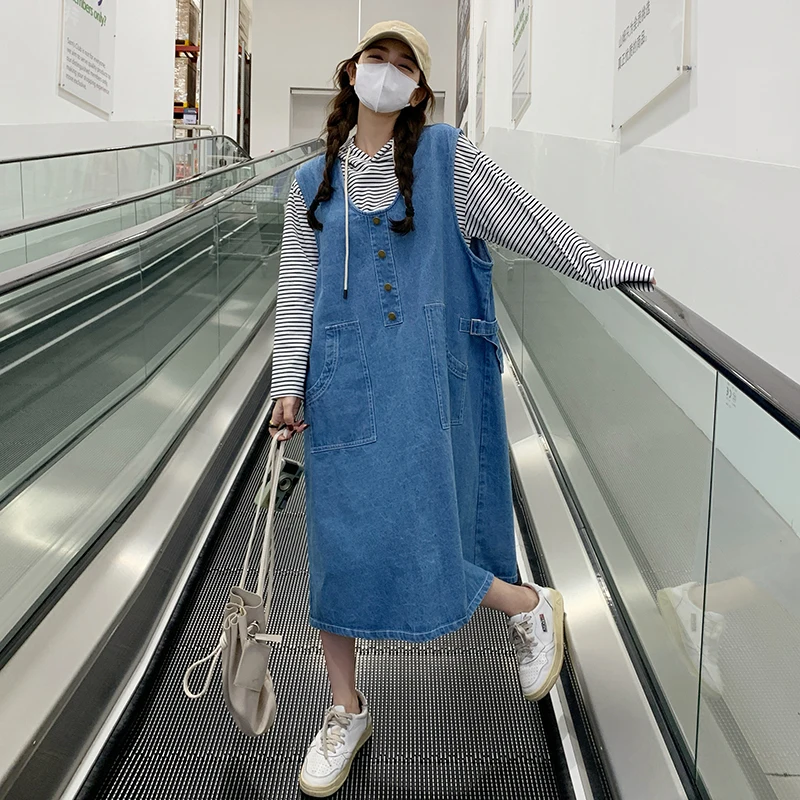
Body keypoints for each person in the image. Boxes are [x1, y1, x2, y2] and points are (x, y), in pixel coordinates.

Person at [269, 20, 655, 798]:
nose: (386, 72)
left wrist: (601, 266)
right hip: (341, 391)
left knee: (426, 528)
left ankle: (528, 605)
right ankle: (345, 709)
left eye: (402, 64)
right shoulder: (310, 184)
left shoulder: (448, 159)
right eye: (375, 58)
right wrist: (287, 382)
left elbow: (527, 221)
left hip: (422, 386)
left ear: (419, 89)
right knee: (337, 552)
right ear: (351, 71)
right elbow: (297, 290)